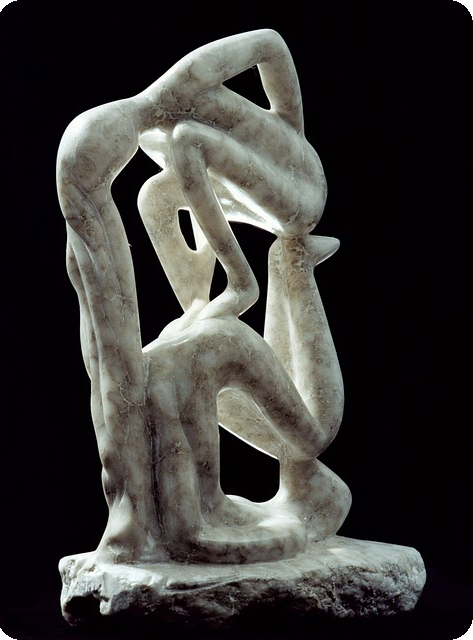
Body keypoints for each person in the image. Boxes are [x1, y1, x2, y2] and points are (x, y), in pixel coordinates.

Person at [57, 29, 349, 564]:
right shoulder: (151, 135)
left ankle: (242, 282)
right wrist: (196, 308)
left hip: (298, 193)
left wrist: (290, 130)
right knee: (154, 193)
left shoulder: (176, 95)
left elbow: (271, 44)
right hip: (244, 186)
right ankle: (208, 296)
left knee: (181, 156)